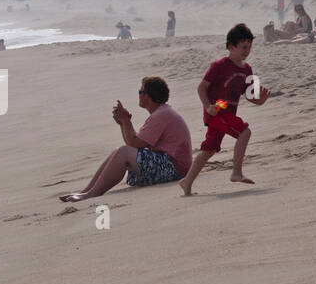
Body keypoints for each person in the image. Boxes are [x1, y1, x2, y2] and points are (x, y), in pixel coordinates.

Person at [59, 76, 192, 202]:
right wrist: (123, 122)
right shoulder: (162, 112)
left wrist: (125, 121)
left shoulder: (161, 115)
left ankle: (93, 193)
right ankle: (87, 190)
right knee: (118, 151)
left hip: (174, 169)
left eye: (140, 91)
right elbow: (134, 142)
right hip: (171, 166)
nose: (138, 94)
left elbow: (134, 143)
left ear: (148, 96)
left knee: (122, 152)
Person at [179, 24, 270, 196]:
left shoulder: (247, 69)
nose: (247, 51)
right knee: (245, 132)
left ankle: (186, 182)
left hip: (228, 112)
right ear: (231, 46)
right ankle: (236, 173)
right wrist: (208, 107)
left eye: (249, 47)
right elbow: (201, 88)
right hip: (217, 111)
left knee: (209, 150)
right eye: (243, 47)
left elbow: (250, 96)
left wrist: (261, 100)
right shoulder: (219, 65)